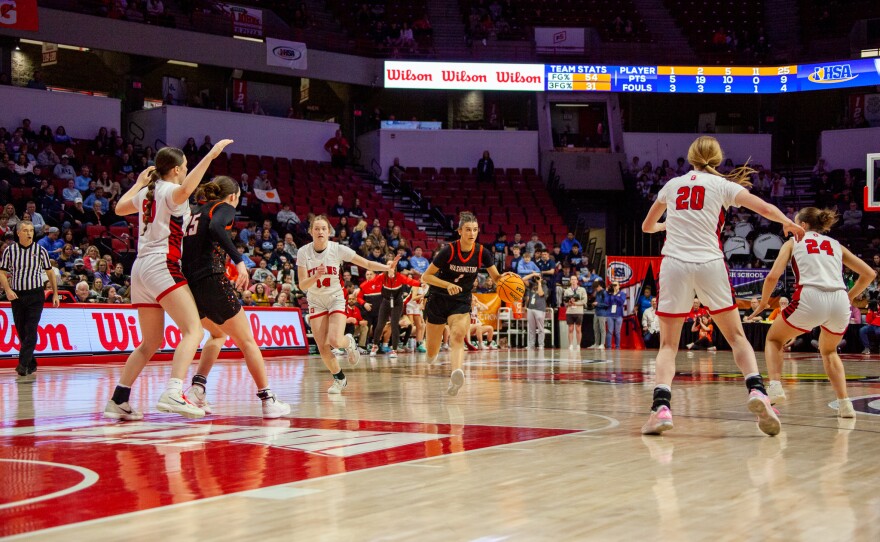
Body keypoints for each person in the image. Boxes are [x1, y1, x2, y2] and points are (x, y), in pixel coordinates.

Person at [640, 135, 805, 436]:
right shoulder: (724, 186)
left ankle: (661, 408)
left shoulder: (672, 185)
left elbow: (646, 227)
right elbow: (765, 209)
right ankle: (757, 391)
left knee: (668, 345)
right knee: (736, 337)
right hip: (709, 264)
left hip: (674, 264)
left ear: (690, 158)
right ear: (717, 160)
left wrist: (666, 224)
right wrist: (789, 223)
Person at [103, 139, 233, 422]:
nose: (187, 170)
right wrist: (210, 155)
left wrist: (138, 182)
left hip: (139, 270)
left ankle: (119, 398)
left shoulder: (148, 193)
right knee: (193, 331)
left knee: (150, 343)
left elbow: (120, 209)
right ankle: (174, 391)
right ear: (175, 169)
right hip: (162, 264)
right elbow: (186, 189)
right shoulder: (173, 190)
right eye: (185, 166)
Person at [176, 176, 290, 418]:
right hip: (211, 279)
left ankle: (197, 388)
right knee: (248, 341)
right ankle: (267, 399)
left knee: (218, 334)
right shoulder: (223, 207)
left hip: (189, 284)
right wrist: (238, 261)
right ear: (232, 197)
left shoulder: (195, 210)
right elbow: (218, 228)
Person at [751, 208, 875, 416]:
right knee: (829, 352)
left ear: (804, 225)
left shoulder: (793, 242)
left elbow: (772, 277)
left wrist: (764, 302)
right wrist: (849, 296)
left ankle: (775, 387)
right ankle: (845, 405)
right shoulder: (836, 245)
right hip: (838, 300)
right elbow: (869, 273)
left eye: (795, 222)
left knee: (774, 339)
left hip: (810, 296)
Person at [298, 215, 397, 394]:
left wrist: (387, 268)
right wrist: (315, 277)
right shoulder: (303, 252)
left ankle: (349, 342)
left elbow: (366, 263)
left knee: (335, 340)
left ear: (329, 232)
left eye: (323, 228)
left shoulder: (337, 249)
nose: (320, 231)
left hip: (335, 297)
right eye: (316, 228)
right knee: (322, 345)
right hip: (316, 300)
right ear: (310, 231)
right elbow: (302, 285)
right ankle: (339, 379)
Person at [421, 211, 512, 396]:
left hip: (461, 301)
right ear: (460, 231)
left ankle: (456, 374)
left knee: (457, 335)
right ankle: (432, 356)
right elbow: (426, 276)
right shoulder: (448, 250)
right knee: (431, 353)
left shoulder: (481, 252)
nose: (472, 233)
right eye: (468, 230)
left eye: (475, 230)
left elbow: (495, 277)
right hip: (438, 298)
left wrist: (507, 281)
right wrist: (448, 285)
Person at [0, 221, 60, 376]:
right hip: (17, 296)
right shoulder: (10, 251)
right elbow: (2, 272)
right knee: (21, 331)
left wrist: (54, 293)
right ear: (18, 233)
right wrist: (7, 290)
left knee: (31, 329)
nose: (29, 233)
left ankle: (22, 364)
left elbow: (50, 272)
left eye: (31, 230)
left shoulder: (40, 250)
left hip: (35, 294)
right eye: (26, 230)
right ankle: (31, 363)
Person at [362, 264, 421, 358]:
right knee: (380, 324)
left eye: (391, 265)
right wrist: (360, 288)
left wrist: (421, 284)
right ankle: (375, 346)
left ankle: (394, 350)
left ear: (395, 268)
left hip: (397, 303)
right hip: (386, 302)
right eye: (388, 264)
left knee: (394, 325)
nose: (389, 266)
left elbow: (411, 281)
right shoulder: (382, 276)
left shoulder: (400, 277)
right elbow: (371, 282)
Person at [563, 275, 587, 350]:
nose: (573, 281)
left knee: (578, 329)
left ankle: (578, 345)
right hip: (570, 311)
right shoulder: (567, 291)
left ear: (577, 281)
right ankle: (570, 345)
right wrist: (569, 303)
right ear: (570, 281)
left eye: (575, 279)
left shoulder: (582, 290)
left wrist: (576, 303)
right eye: (572, 279)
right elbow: (565, 303)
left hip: (578, 311)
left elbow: (584, 301)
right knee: (570, 329)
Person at [524, 277, 549, 349]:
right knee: (531, 328)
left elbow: (541, 294)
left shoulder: (544, 286)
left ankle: (541, 344)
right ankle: (531, 344)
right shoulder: (532, 285)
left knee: (540, 328)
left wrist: (539, 283)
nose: (537, 278)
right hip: (531, 308)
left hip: (540, 308)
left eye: (539, 277)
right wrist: (533, 274)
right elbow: (523, 279)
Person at [605, 281, 626, 349]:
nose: (614, 286)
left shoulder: (622, 293)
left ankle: (617, 347)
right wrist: (609, 293)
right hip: (610, 314)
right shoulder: (609, 294)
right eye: (613, 285)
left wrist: (614, 295)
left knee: (617, 332)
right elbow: (607, 302)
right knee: (610, 331)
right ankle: (608, 346)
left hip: (618, 315)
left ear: (619, 286)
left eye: (615, 285)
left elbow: (621, 302)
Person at [588, 280, 608, 349]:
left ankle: (602, 344)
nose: (596, 290)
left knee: (602, 329)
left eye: (596, 288)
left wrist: (598, 304)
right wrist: (594, 304)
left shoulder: (605, 293)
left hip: (602, 313)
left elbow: (607, 304)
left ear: (599, 286)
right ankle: (596, 343)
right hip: (596, 312)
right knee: (595, 328)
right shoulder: (597, 293)